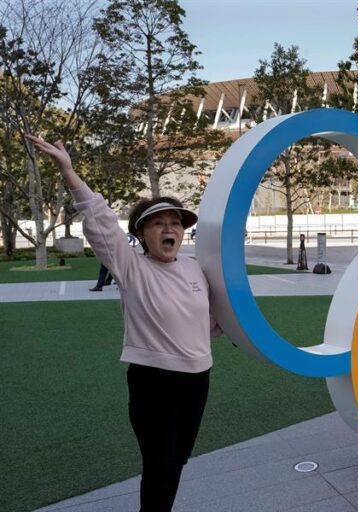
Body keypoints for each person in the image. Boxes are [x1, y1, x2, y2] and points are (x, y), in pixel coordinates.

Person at [26, 134, 221, 511]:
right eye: (159, 223)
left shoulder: (195, 268)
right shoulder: (131, 267)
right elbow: (99, 222)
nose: (170, 229)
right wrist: (69, 172)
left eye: (175, 223)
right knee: (159, 463)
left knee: (177, 460)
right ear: (142, 235)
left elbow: (208, 322)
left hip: (198, 379)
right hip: (154, 381)